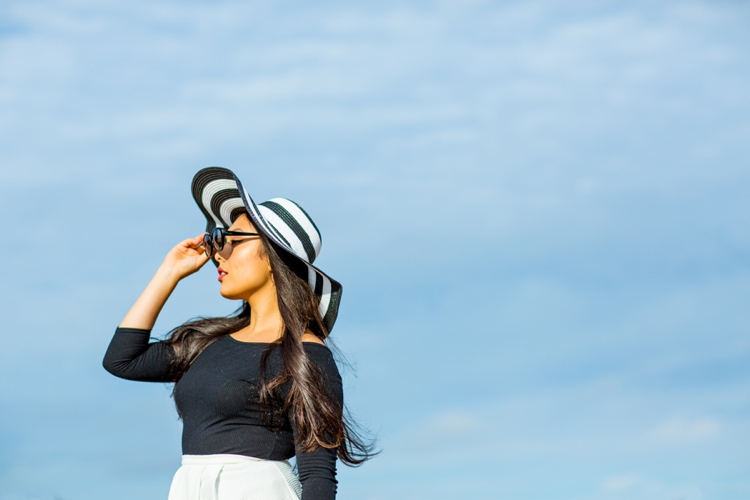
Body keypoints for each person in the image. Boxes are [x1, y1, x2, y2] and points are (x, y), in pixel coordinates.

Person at [103, 166, 373, 500]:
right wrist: (169, 271)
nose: (218, 251)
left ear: (275, 254)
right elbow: (122, 360)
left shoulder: (306, 355)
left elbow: (318, 477)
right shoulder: (208, 343)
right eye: (218, 240)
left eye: (233, 240)